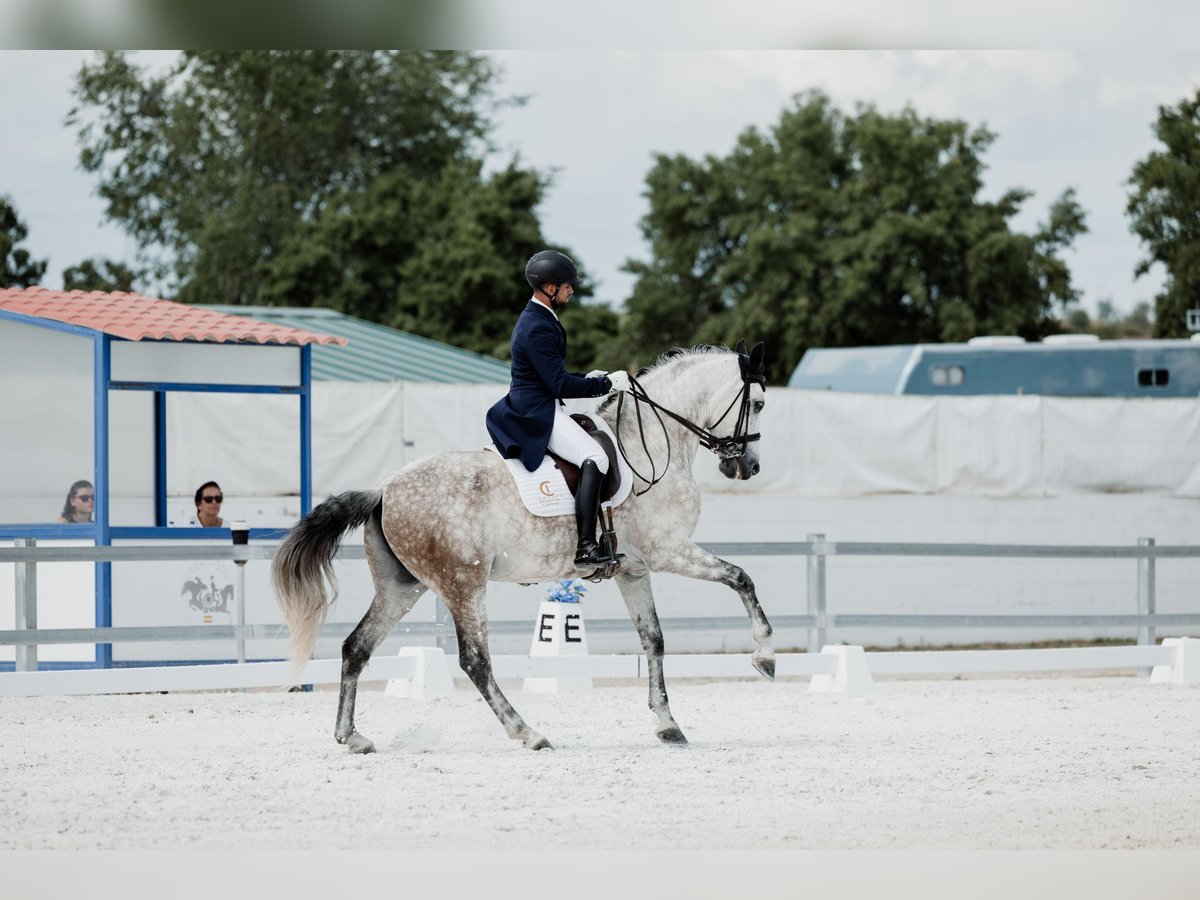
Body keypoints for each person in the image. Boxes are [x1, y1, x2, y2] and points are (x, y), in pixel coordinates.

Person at [486, 250, 632, 569]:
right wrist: (606, 385)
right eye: (567, 286)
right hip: (536, 410)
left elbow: (556, 375)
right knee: (596, 457)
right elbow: (558, 385)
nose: (572, 291)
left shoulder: (539, 317)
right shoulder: (537, 325)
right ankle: (586, 546)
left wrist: (590, 378)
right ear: (550, 288)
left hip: (539, 401)